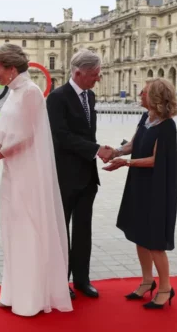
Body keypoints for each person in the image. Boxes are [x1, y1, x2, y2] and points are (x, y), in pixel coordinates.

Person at [0, 43, 72, 317]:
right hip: (13, 170)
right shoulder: (14, 92)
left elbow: (27, 137)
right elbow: (4, 136)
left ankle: (31, 298)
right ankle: (12, 293)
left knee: (28, 231)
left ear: (11, 68)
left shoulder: (30, 92)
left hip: (28, 173)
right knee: (13, 231)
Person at [103, 78, 177, 309]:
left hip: (156, 186)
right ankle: (147, 281)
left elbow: (156, 160)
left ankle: (165, 287)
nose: (139, 96)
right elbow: (133, 145)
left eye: (144, 93)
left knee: (154, 240)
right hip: (139, 183)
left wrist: (127, 163)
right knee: (139, 234)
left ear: (155, 97)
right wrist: (115, 152)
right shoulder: (146, 118)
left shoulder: (166, 126)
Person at [45, 49, 112, 299]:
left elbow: (86, 133)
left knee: (84, 230)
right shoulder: (57, 98)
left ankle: (82, 280)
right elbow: (61, 136)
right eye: (95, 74)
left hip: (87, 176)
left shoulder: (90, 96)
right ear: (78, 73)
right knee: (61, 232)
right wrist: (96, 150)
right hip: (64, 176)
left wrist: (98, 150)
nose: (98, 78)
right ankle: (60, 281)